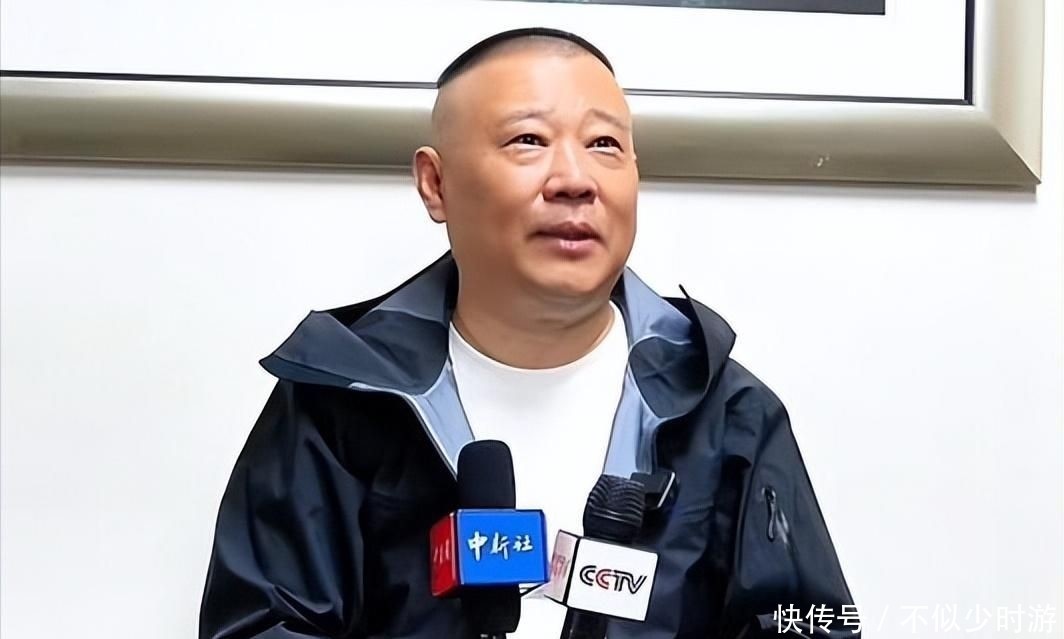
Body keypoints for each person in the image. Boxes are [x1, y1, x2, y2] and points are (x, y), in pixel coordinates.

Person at [199, 27, 860, 639]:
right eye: (528, 140)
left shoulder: (725, 412)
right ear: (436, 183)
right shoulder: (337, 401)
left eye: (604, 145)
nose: (574, 180)